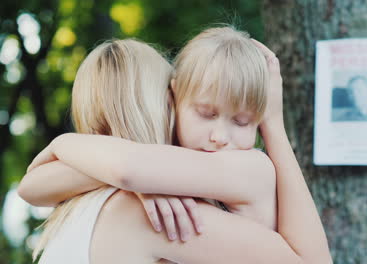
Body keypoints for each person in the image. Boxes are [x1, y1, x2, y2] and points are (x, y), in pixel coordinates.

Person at [21, 27, 332, 263]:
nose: (219, 137)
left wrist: (63, 144)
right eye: (203, 112)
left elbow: (32, 187)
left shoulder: (74, 210)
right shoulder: (144, 207)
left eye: (240, 121)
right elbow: (126, 168)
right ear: (168, 101)